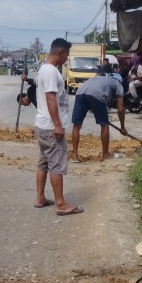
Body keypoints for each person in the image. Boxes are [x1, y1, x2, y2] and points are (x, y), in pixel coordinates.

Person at [32, 38, 83, 215]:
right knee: (56, 164)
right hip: (50, 127)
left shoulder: (44, 70)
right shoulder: (51, 71)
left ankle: (40, 198)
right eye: (66, 54)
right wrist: (58, 125)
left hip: (43, 124)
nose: (67, 58)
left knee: (44, 163)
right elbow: (50, 98)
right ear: (59, 52)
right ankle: (60, 204)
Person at [69, 63, 128, 162]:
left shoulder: (100, 78)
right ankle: (105, 154)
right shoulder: (119, 85)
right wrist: (122, 127)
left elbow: (90, 99)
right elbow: (120, 109)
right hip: (97, 93)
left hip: (80, 92)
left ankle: (75, 156)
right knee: (104, 125)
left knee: (76, 125)